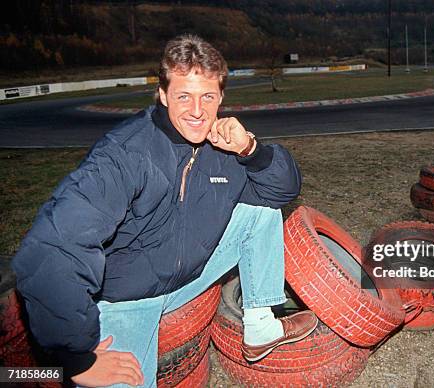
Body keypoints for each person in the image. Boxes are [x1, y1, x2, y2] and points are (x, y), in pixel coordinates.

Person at [11, 34, 318, 387]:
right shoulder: (125, 154)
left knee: (260, 210)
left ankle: (261, 327)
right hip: (127, 298)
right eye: (183, 96)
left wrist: (250, 149)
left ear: (221, 97)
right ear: (162, 94)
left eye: (208, 96)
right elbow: (50, 250)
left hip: (191, 274)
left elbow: (282, 191)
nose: (197, 111)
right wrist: (76, 358)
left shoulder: (224, 145)